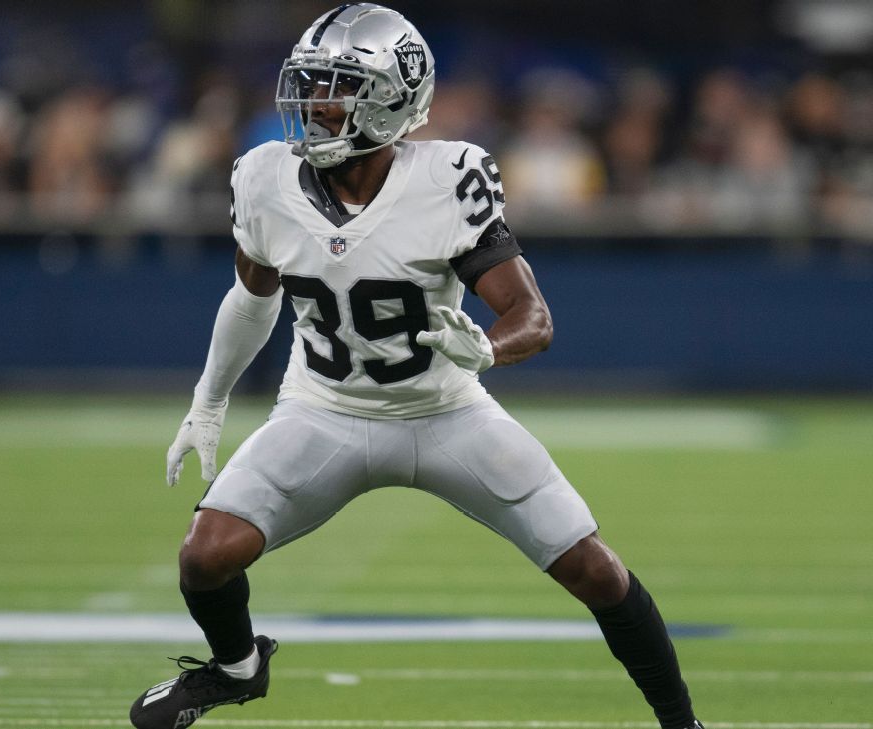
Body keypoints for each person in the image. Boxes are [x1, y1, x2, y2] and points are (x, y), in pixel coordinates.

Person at [129, 5, 703, 729]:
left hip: (444, 412)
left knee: (593, 567)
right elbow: (253, 294)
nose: (312, 107)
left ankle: (683, 723)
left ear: (390, 101)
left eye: (334, 88)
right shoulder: (266, 178)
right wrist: (209, 401)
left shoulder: (446, 177)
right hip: (324, 408)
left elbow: (533, 316)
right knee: (204, 555)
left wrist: (489, 348)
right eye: (309, 86)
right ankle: (239, 669)